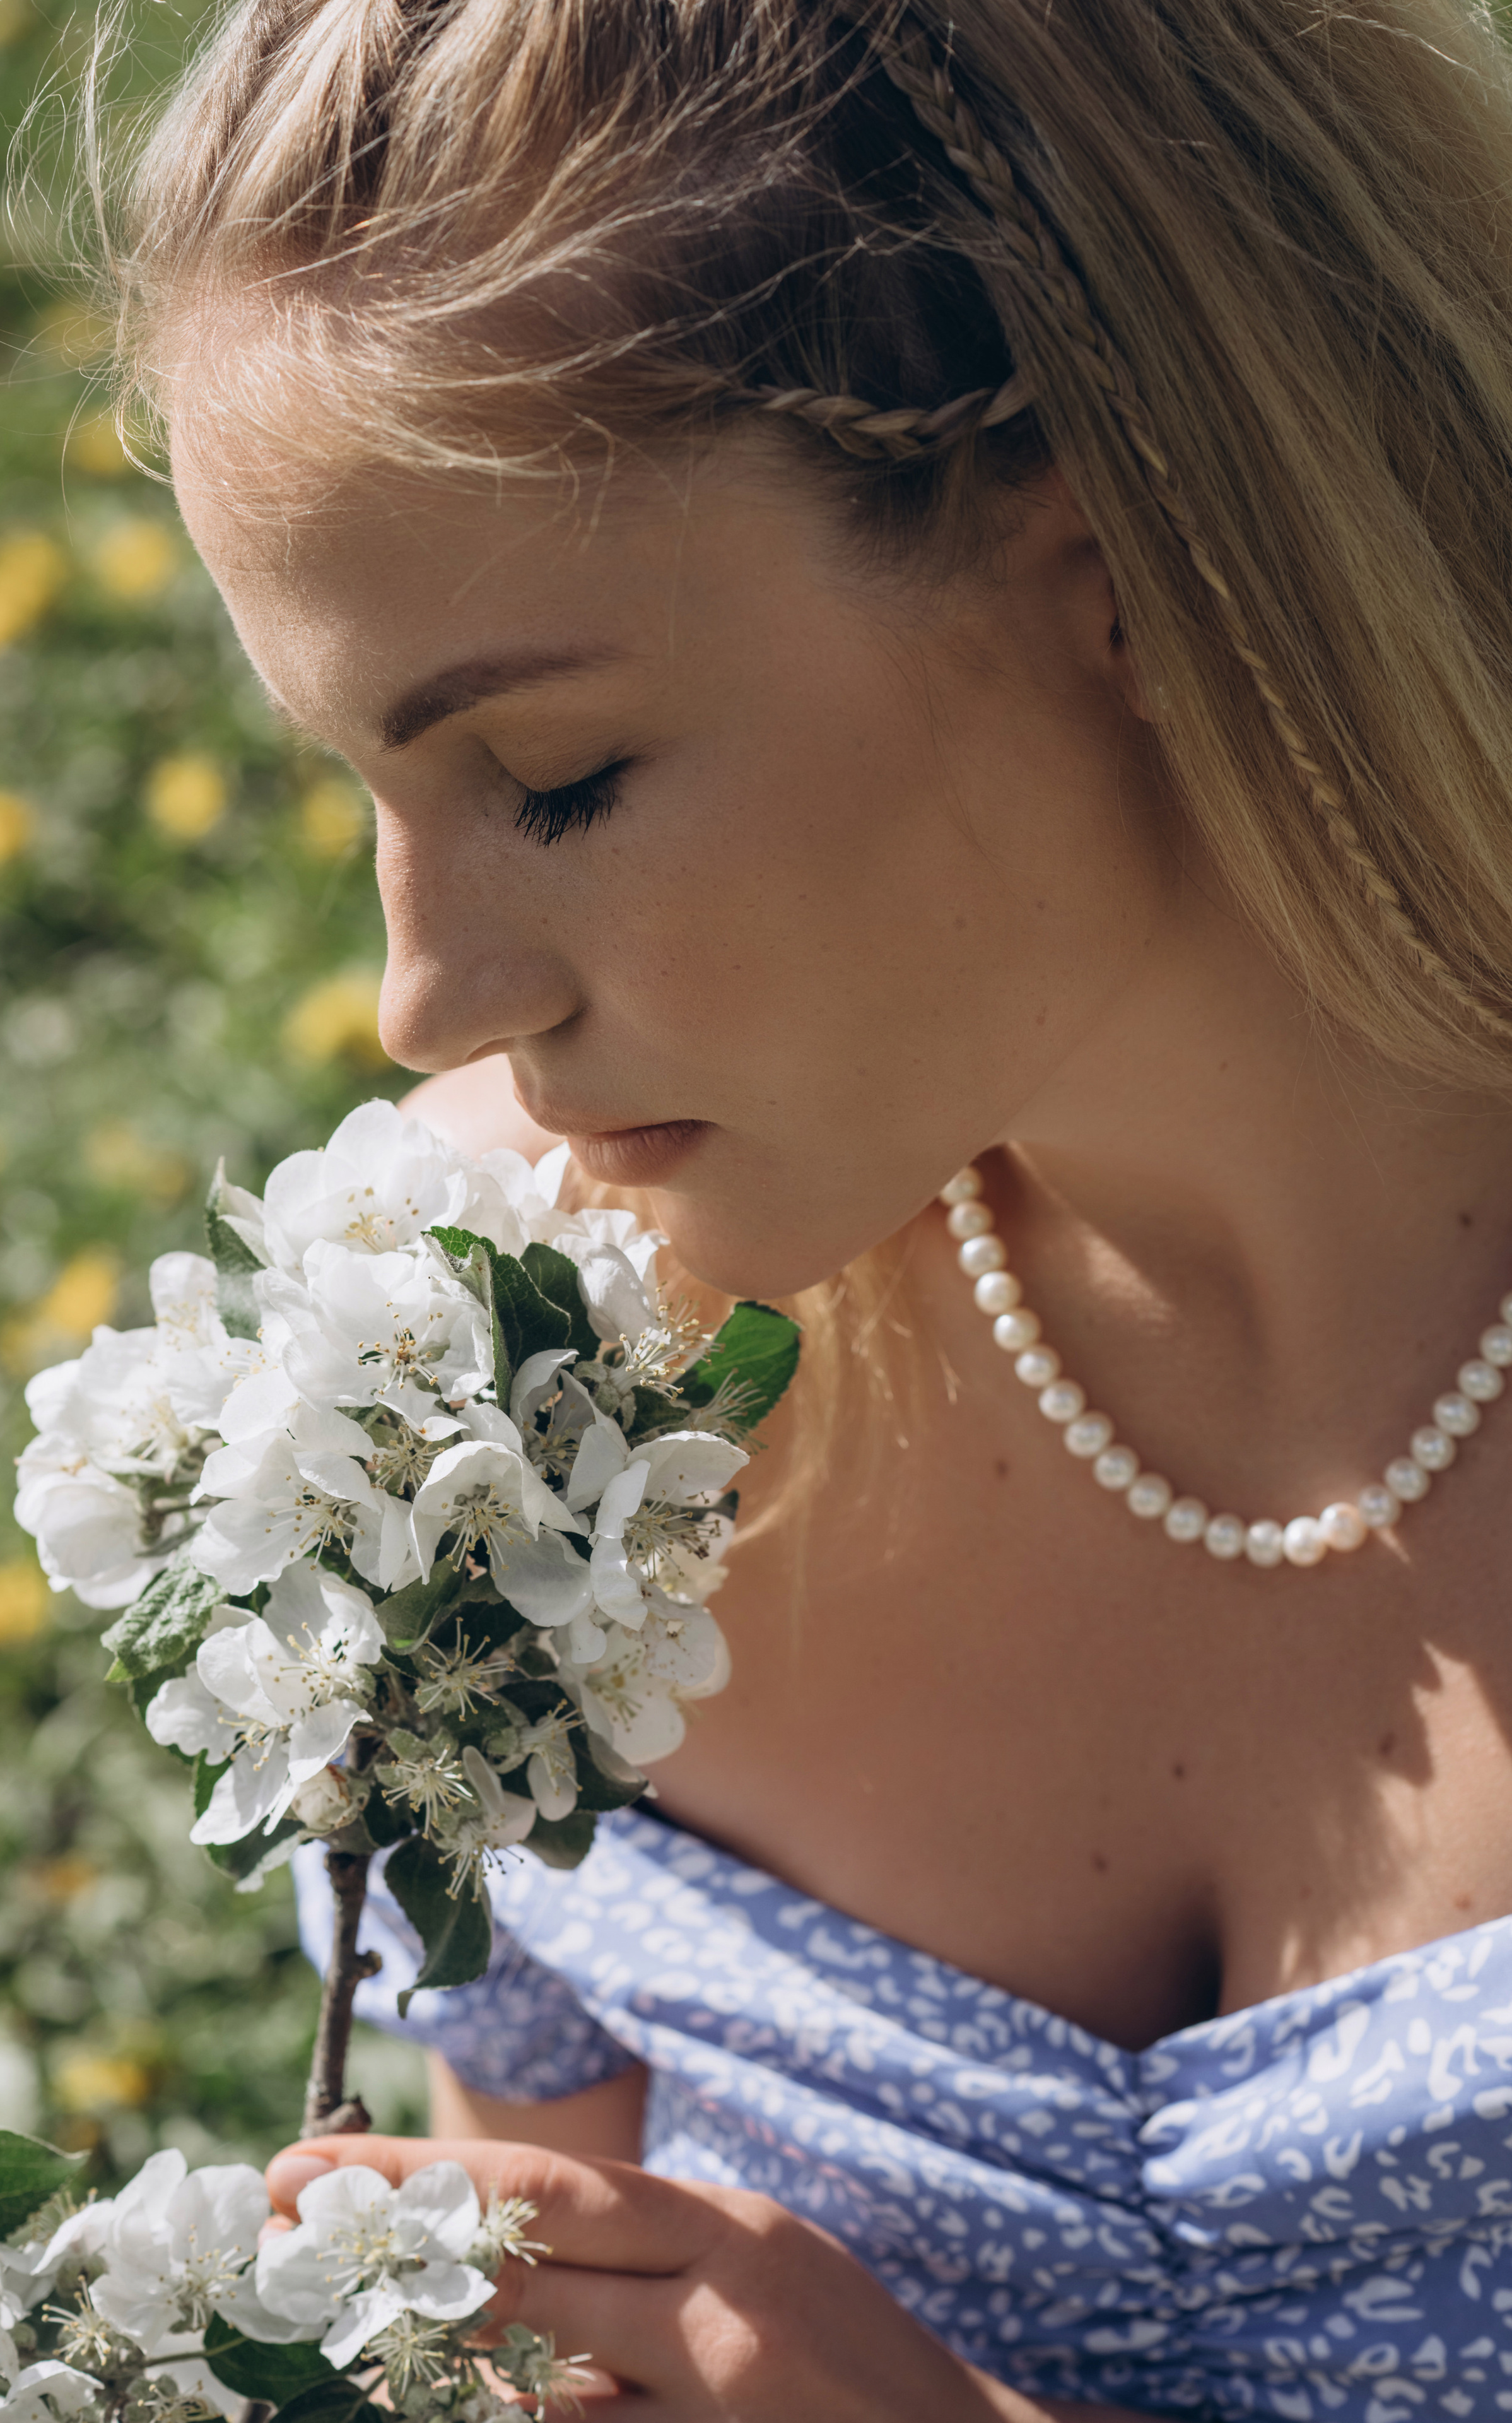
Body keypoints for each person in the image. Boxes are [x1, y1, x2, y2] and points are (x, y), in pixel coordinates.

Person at [105, 0, 1512, 2408]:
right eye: (360, 780)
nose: (417, 1001)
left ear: (1115, 570)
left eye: (550, 778)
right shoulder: (503, 1409)